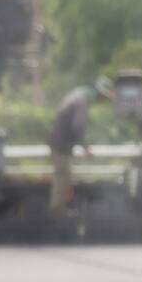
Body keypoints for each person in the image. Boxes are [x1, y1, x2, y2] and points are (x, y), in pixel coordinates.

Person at [48, 77, 115, 214]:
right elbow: (78, 125)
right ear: (99, 94)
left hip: (59, 142)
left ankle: (59, 210)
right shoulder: (82, 101)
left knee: (65, 176)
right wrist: (85, 146)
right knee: (62, 177)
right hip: (61, 145)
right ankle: (56, 213)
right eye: (103, 98)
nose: (102, 101)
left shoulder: (78, 95)